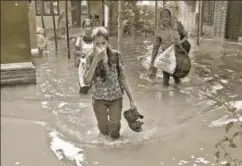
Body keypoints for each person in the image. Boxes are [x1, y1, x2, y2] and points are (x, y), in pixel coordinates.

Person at [83, 27, 137, 139]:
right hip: (98, 98)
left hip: (116, 97)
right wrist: (96, 61)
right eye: (97, 43)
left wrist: (132, 100)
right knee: (103, 129)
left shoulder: (116, 56)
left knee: (115, 128)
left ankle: (117, 152)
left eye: (103, 43)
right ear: (93, 43)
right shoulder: (90, 57)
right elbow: (86, 81)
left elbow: (123, 78)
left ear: (108, 42)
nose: (100, 46)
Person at [148, 8, 189, 87]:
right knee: (165, 81)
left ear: (170, 17)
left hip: (178, 57)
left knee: (177, 80)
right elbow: (155, 48)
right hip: (166, 59)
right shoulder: (159, 31)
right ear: (160, 19)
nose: (165, 19)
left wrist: (180, 42)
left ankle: (178, 96)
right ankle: (165, 96)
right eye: (163, 17)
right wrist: (151, 63)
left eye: (167, 16)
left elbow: (186, 36)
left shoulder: (177, 25)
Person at [74, 18, 94, 94]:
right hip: (83, 66)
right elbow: (75, 52)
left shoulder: (95, 39)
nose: (88, 28)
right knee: (83, 88)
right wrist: (83, 53)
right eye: (86, 26)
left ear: (92, 27)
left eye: (89, 26)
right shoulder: (80, 39)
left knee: (92, 89)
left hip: (93, 65)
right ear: (83, 28)